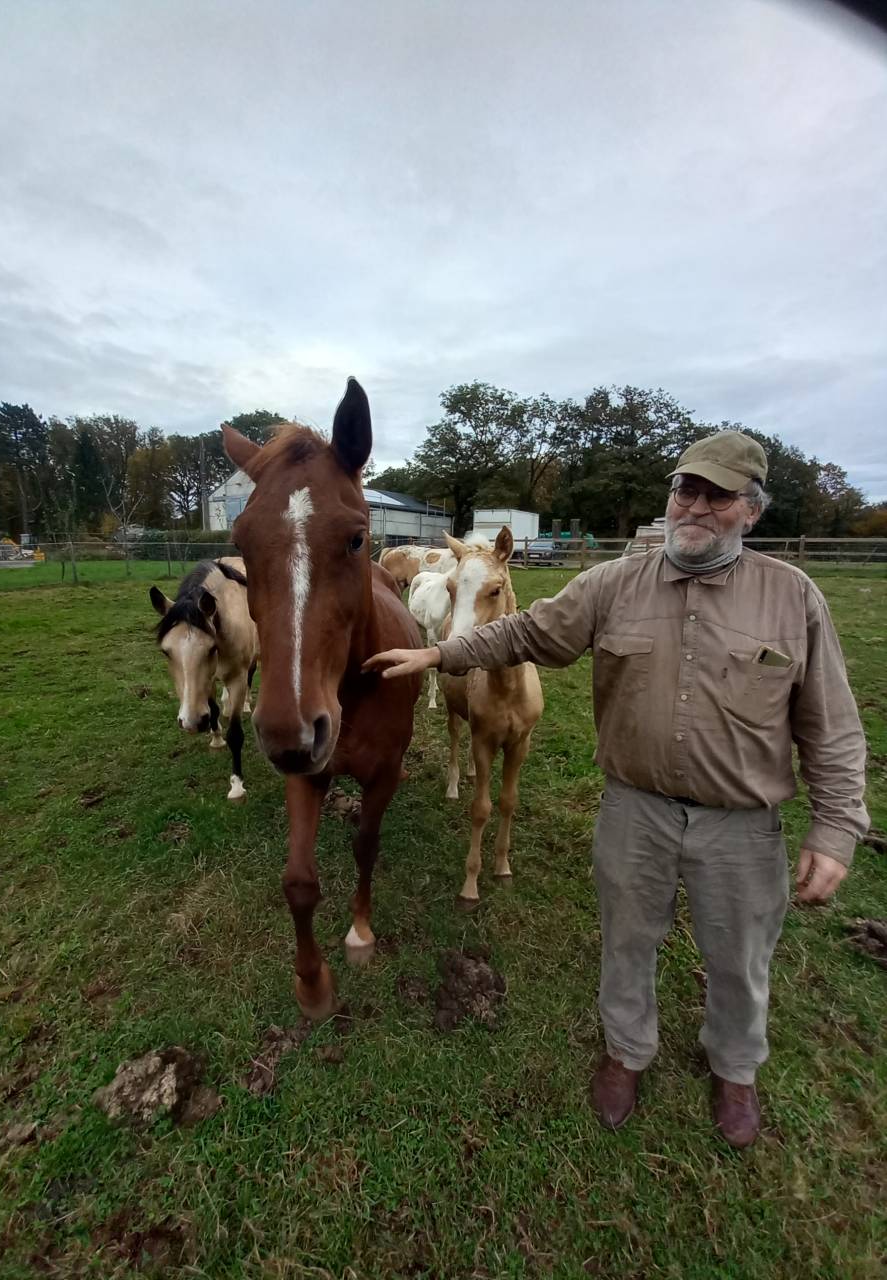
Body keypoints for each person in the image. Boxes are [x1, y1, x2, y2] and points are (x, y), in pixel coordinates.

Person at [364, 431, 869, 1148]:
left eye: (716, 495)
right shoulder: (613, 584)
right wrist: (440, 651)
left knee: (738, 954)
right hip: (635, 809)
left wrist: (836, 825)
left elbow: (832, 722)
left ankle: (733, 1068)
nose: (693, 506)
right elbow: (527, 632)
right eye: (684, 490)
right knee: (626, 940)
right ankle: (626, 1052)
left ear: (749, 511)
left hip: (741, 825)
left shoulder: (792, 598)